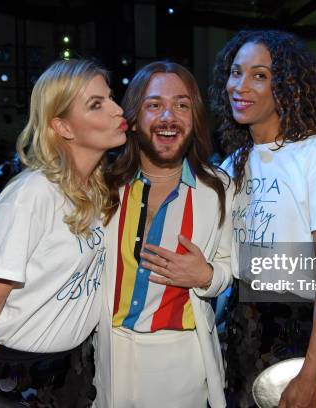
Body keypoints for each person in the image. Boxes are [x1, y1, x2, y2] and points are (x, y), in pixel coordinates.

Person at [0, 58, 127, 407]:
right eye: (97, 104)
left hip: (73, 371)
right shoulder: (31, 195)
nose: (117, 109)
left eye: (110, 97)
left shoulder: (99, 191)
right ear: (63, 127)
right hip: (20, 376)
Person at [210, 30, 316, 408]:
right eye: (236, 72)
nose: (240, 86)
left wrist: (313, 372)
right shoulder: (233, 163)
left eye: (259, 75)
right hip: (243, 327)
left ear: (288, 86)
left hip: (298, 329)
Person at [97, 61, 233, 408]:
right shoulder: (102, 188)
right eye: (154, 105)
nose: (169, 117)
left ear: (195, 117)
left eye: (182, 105)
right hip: (107, 353)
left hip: (180, 363)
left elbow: (228, 267)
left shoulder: (220, 189)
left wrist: (206, 275)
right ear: (133, 117)